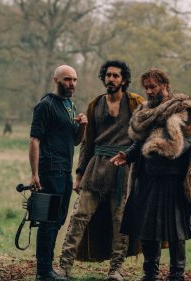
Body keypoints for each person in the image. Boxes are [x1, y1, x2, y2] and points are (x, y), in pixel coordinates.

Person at [110, 68, 191, 281]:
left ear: (165, 85)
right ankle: (150, 274)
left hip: (173, 180)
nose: (149, 91)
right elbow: (139, 141)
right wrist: (127, 156)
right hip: (147, 178)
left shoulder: (183, 109)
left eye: (153, 86)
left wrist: (170, 149)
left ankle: (176, 275)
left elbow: (188, 139)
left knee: (176, 231)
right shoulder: (146, 112)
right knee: (148, 229)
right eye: (146, 88)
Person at [58, 60, 144, 281]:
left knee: (120, 221)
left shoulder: (136, 103)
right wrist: (79, 174)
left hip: (124, 168)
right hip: (97, 167)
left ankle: (116, 269)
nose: (111, 79)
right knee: (79, 216)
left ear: (124, 80)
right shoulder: (96, 104)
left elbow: (145, 134)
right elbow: (88, 142)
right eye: (108, 75)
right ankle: (64, 267)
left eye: (116, 76)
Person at [29, 64, 87, 281]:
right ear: (56, 80)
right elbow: (35, 139)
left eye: (74, 79)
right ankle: (43, 272)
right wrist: (35, 174)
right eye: (66, 79)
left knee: (58, 220)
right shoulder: (45, 105)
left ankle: (47, 269)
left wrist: (82, 126)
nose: (71, 83)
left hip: (65, 170)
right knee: (48, 221)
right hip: (49, 170)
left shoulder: (69, 106)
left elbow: (74, 141)